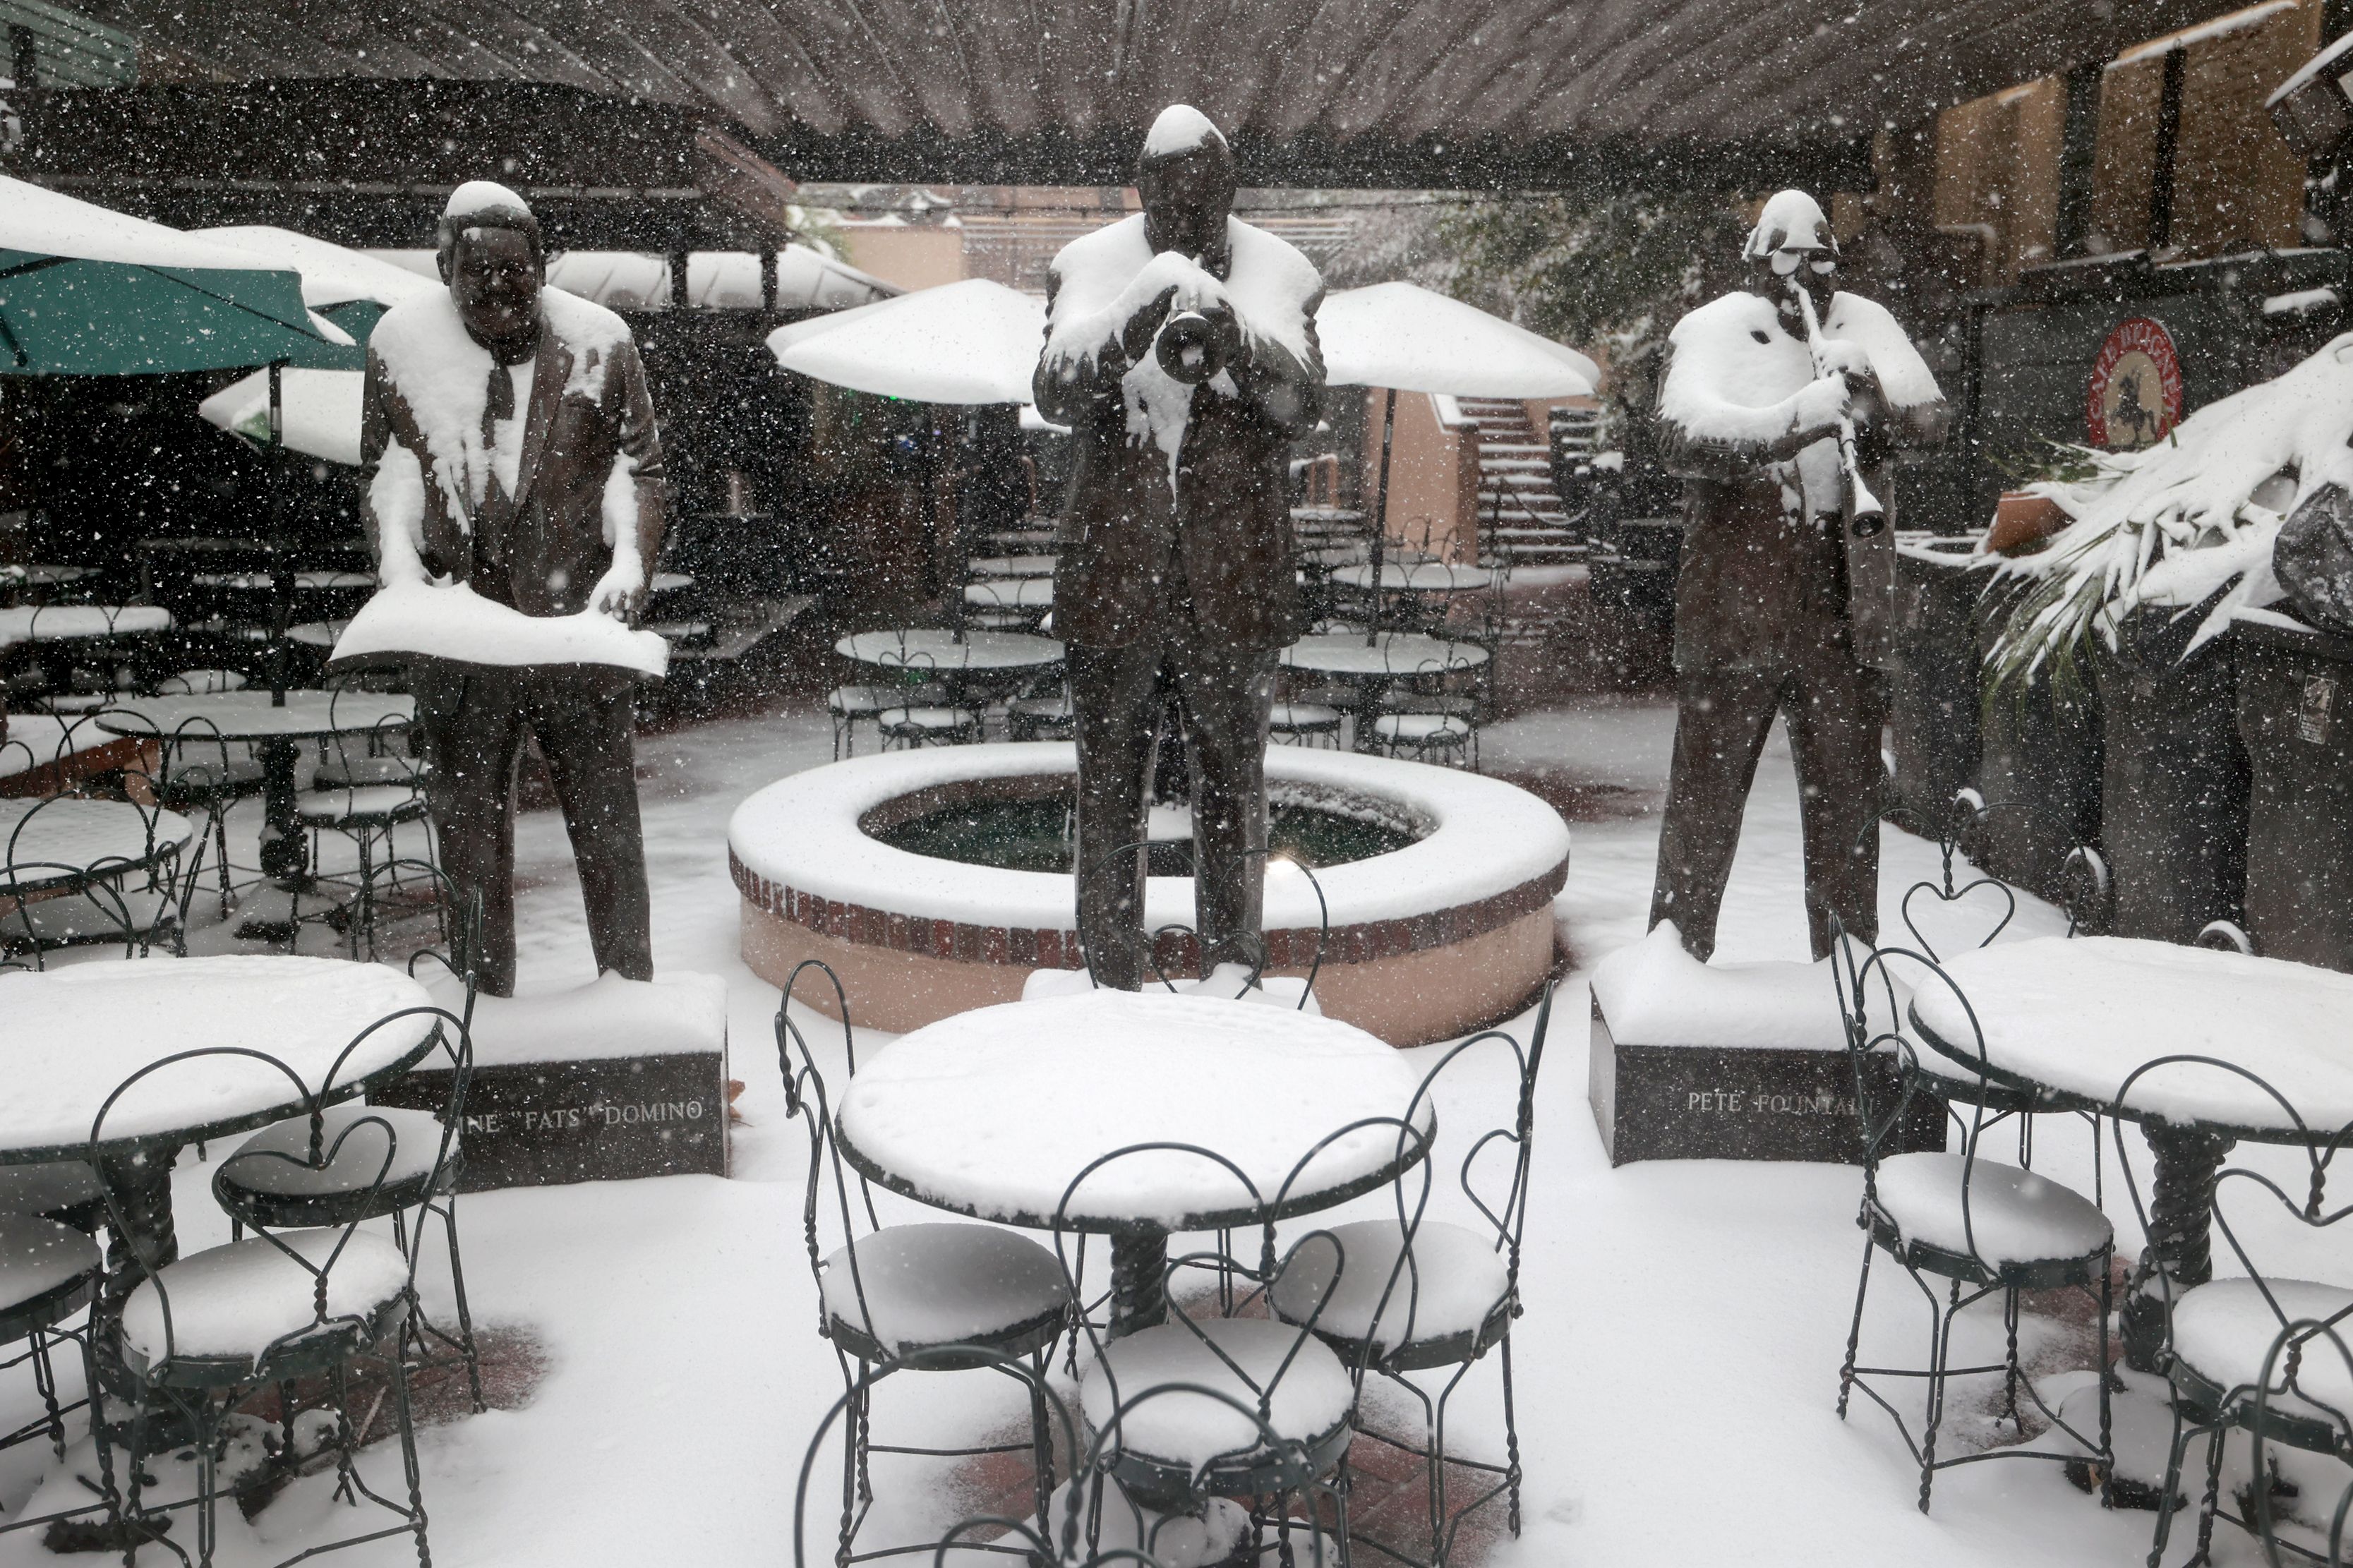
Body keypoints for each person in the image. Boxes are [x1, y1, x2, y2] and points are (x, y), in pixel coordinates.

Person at [1034, 104, 1325, 989]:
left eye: (1201, 201)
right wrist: (1136, 317)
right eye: (1166, 202)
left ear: (1227, 190)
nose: (1184, 218)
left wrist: (1236, 333)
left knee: (1234, 790)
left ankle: (1233, 969)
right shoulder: (1088, 266)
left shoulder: (1282, 271)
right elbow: (1053, 390)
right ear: (1142, 191)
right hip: (1112, 580)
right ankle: (1109, 973)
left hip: (1233, 583)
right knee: (1109, 788)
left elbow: (1302, 403)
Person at [360, 181, 667, 996]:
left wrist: (632, 563)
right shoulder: (398, 343)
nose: (499, 287)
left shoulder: (603, 342)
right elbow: (386, 470)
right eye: (478, 271)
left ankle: (629, 997)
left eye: (516, 270)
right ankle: (480, 1005)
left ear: (543, 265)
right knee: (469, 847)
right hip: (461, 644)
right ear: (443, 266)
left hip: (578, 636)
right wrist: (395, 561)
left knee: (607, 839)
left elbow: (640, 470)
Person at [1647, 189, 1949, 962]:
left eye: (1821, 262)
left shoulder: (1865, 324)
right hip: (1736, 607)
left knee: (1847, 808)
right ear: (1757, 261)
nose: (1807, 278)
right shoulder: (1712, 329)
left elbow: (1933, 420)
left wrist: (1872, 397)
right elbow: (1679, 434)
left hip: (1844, 608)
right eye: (1789, 260)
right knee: (1703, 808)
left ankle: (1848, 970)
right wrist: (1793, 418)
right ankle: (1672, 964)